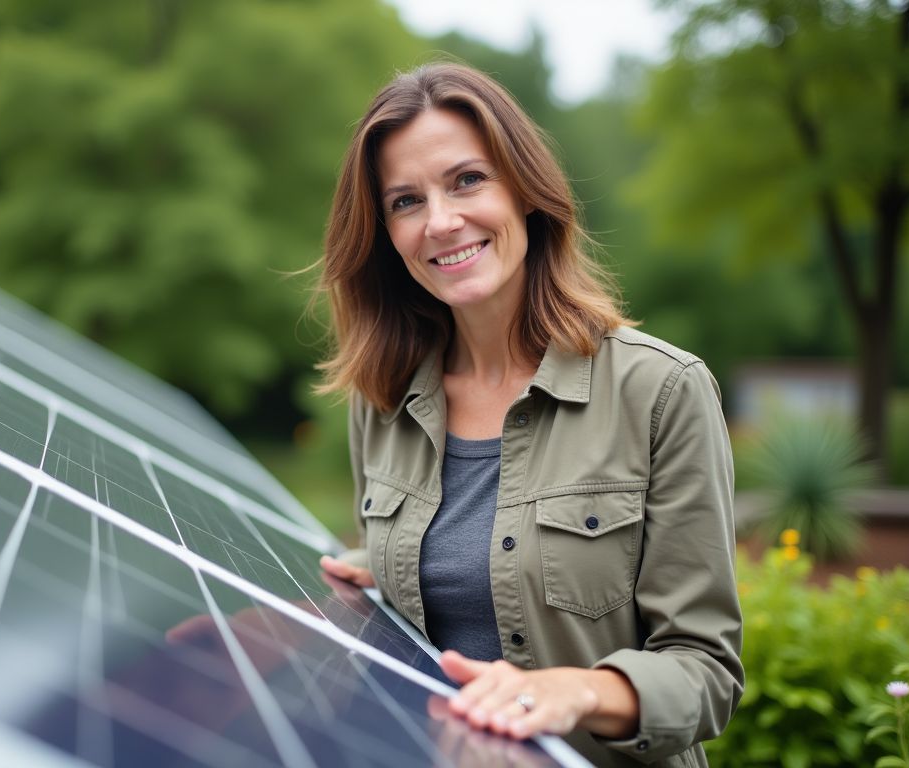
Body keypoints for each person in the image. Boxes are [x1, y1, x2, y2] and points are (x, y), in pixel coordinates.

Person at [314, 62, 743, 767]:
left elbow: (706, 672)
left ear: (525, 190)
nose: (441, 221)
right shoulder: (382, 397)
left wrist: (575, 691)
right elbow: (430, 577)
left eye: (466, 180)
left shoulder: (661, 391)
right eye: (405, 201)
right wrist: (353, 581)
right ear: (385, 232)